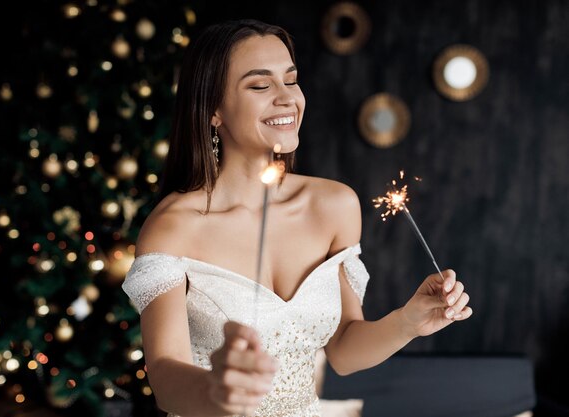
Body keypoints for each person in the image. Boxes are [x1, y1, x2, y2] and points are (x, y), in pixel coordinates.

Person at [123, 19, 472, 417]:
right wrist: (218, 393)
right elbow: (166, 380)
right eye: (259, 85)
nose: (287, 98)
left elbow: (342, 351)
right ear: (213, 109)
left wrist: (409, 321)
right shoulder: (174, 227)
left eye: (291, 80)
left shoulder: (335, 205)